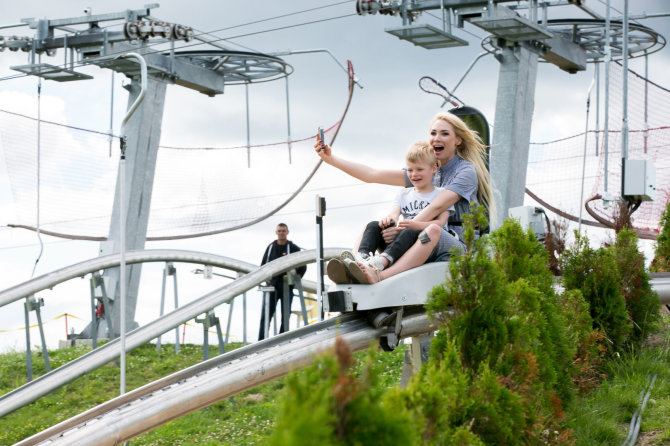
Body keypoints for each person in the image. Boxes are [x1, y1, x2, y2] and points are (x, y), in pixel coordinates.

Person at [315, 111, 494, 284]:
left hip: (454, 243)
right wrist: (331, 160)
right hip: (415, 235)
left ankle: (380, 276)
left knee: (432, 230)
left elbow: (436, 208)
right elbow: (373, 174)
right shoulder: (425, 171)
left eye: (444, 134)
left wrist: (401, 231)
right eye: (433, 133)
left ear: (458, 140)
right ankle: (355, 264)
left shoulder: (465, 171)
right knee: (373, 226)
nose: (437, 138)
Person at [326, 141, 454, 284]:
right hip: (402, 240)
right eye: (410, 170)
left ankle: (380, 263)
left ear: (433, 168)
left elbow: (441, 223)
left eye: (419, 169)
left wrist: (415, 224)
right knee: (373, 225)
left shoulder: (441, 194)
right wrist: (388, 221)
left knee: (410, 231)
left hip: (423, 242)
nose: (414, 174)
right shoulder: (403, 194)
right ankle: (360, 260)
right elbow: (394, 214)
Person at [258, 223, 306, 340]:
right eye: (279, 231)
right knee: (266, 315)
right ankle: (261, 341)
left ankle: (282, 340)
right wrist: (266, 281)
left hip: (287, 287)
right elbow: (263, 266)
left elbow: (303, 265)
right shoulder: (271, 247)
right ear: (276, 232)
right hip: (271, 287)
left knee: (285, 315)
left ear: (287, 232)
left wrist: (295, 279)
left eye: (283, 231)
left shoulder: (293, 248)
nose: (281, 233)